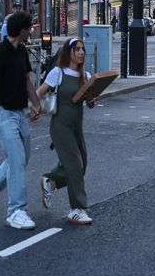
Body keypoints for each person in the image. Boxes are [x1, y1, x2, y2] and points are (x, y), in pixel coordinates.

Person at [0, 11, 42, 230]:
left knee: (20, 160)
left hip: (19, 112)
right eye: (30, 28)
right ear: (22, 30)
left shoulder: (22, 51)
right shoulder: (0, 52)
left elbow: (27, 80)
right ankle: (16, 211)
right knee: (16, 160)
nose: (32, 30)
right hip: (3, 113)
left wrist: (35, 103)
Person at [37, 37, 97, 225]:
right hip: (60, 125)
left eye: (83, 50)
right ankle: (77, 209)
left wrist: (91, 96)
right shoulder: (58, 72)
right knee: (74, 163)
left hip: (76, 126)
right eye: (77, 49)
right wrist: (33, 106)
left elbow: (91, 104)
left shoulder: (86, 76)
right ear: (69, 52)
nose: (81, 53)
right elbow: (40, 91)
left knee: (82, 163)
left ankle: (51, 182)